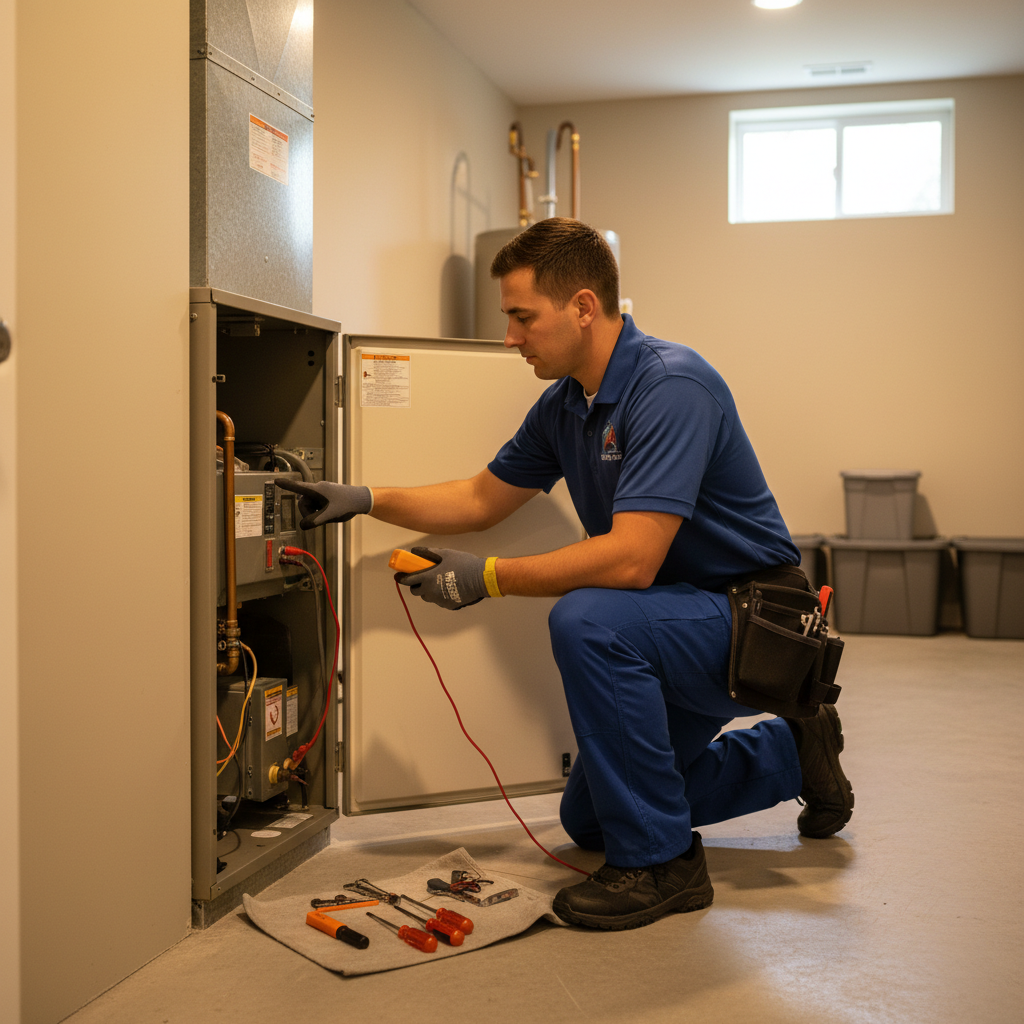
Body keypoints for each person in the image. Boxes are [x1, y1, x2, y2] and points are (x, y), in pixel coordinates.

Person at [277, 218, 853, 931]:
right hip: (680, 620)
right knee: (590, 819)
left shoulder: (672, 386)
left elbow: (632, 559)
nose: (511, 338)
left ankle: (665, 866)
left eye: (523, 317)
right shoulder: (566, 407)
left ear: (583, 306)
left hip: (755, 623)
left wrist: (488, 579)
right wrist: (367, 497)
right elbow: (480, 497)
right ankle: (795, 751)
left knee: (588, 619)